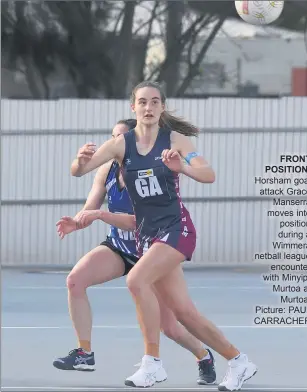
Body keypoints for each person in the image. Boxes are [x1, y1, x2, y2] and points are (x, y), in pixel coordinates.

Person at [70, 82, 258, 391]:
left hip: (176, 228)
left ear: (161, 107)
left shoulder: (176, 141)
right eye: (142, 102)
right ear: (134, 107)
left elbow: (209, 175)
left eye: (154, 102)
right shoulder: (121, 144)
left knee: (135, 281)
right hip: (148, 234)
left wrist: (181, 167)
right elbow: (79, 171)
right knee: (183, 313)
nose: (148, 107)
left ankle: (152, 363)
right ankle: (239, 361)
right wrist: (79, 159)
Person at [53, 118, 217, 386]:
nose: (116, 143)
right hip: (119, 248)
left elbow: (137, 222)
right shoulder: (105, 171)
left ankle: (203, 355)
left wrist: (100, 215)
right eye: (113, 138)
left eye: (122, 138)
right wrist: (77, 219)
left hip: (152, 250)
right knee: (75, 280)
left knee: (171, 328)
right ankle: (84, 353)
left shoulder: (150, 171)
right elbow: (90, 205)